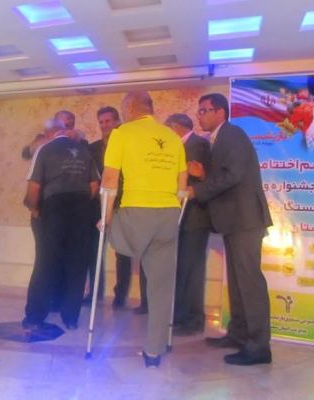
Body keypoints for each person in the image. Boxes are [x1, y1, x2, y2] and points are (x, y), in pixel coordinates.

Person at [101, 90, 187, 367]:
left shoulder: (121, 133)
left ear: (129, 108)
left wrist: (106, 218)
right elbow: (182, 184)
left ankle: (115, 234)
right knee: (161, 286)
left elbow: (110, 179)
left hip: (137, 212)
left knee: (111, 233)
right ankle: (153, 351)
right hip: (169, 214)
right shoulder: (172, 137)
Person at [187, 93, 272, 366]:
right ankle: (239, 334)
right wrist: (203, 175)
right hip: (235, 220)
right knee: (237, 283)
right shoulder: (220, 139)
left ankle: (259, 347)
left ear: (220, 112)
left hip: (245, 220)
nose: (199, 115)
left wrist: (198, 189)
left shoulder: (232, 134)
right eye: (199, 111)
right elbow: (226, 174)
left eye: (204, 110)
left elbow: (233, 175)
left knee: (249, 283)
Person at [23, 121, 99, 330]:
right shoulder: (84, 151)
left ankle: (35, 316)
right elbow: (94, 186)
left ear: (49, 133)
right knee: (77, 264)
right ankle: (71, 318)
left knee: (45, 263)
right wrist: (81, 204)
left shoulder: (45, 150)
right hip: (81, 210)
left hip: (54, 210)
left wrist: (34, 209)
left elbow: (34, 187)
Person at [86, 106, 148, 311]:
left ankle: (120, 295)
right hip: (97, 205)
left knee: (122, 252)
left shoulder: (128, 145)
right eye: (101, 122)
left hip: (122, 204)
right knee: (94, 251)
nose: (104, 125)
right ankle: (94, 293)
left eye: (108, 121)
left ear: (117, 122)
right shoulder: (92, 148)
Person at [164, 113, 211, 335]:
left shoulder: (198, 144)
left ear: (176, 127)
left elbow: (204, 178)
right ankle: (179, 316)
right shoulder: (179, 146)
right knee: (181, 268)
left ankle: (193, 320)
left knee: (192, 270)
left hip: (195, 217)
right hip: (180, 217)